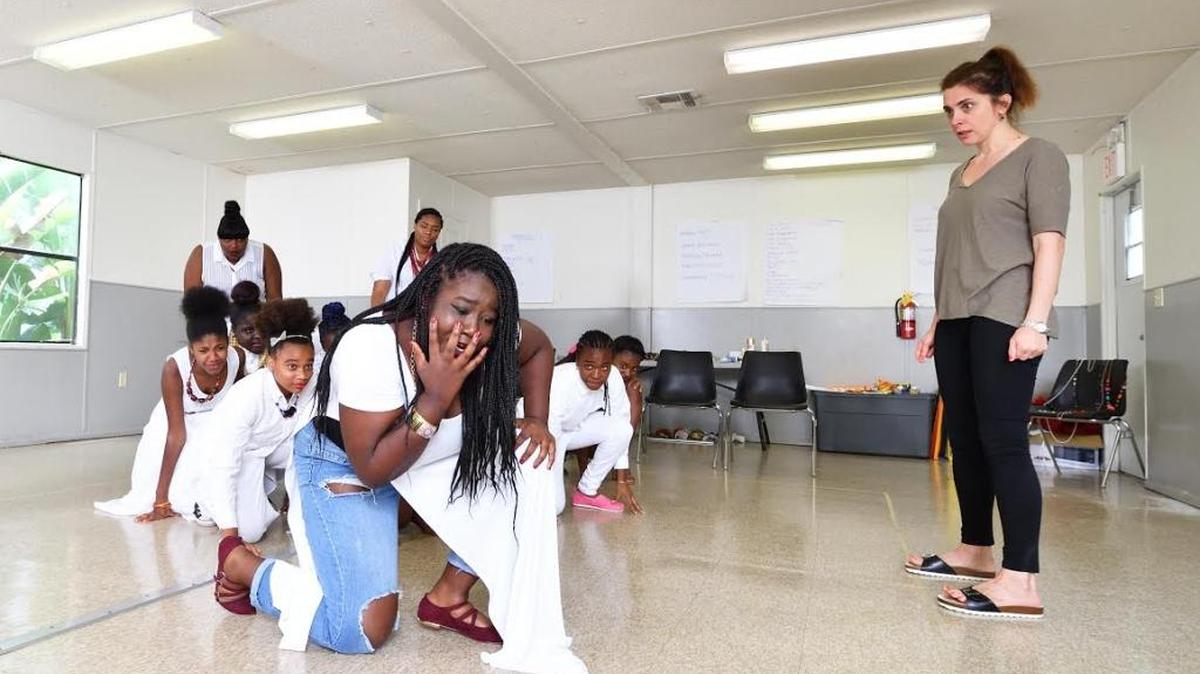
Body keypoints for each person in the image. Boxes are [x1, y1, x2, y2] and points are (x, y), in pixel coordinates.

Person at [209, 244, 585, 673]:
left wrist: (536, 419)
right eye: (459, 310)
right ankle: (244, 567)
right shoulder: (372, 347)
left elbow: (540, 349)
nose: (470, 330)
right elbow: (372, 468)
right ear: (426, 296)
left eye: (486, 319)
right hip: (346, 461)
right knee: (361, 630)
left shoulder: (488, 334)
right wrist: (437, 396)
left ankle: (448, 596)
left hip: (427, 455)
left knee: (531, 461)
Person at [904, 47, 1068, 621]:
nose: (956, 120)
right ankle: (975, 548)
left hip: (1005, 317)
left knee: (1002, 443)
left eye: (967, 106)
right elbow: (956, 253)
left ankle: (1021, 579)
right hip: (958, 319)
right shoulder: (961, 172)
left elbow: (1048, 242)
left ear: (1003, 103)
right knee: (964, 441)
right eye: (949, 109)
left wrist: (1036, 322)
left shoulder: (1038, 157)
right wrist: (937, 320)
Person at [95, 286, 245, 522]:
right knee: (176, 494)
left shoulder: (238, 358)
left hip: (214, 425)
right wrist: (160, 499)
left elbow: (238, 408)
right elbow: (177, 434)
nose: (213, 357)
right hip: (174, 425)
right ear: (191, 349)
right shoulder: (174, 368)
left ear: (229, 343)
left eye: (220, 348)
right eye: (203, 350)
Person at [201, 300, 318, 580]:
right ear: (270, 361)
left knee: (315, 443)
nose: (302, 375)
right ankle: (209, 503)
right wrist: (230, 538)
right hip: (235, 458)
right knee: (250, 531)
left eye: (308, 365)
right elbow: (225, 462)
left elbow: (304, 445)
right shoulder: (248, 395)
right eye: (292, 366)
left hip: (272, 452)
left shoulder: (308, 385)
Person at [550, 331, 638, 515]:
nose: (597, 374)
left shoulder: (612, 377)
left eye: (604, 367)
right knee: (555, 507)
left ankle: (587, 492)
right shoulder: (561, 378)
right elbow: (552, 432)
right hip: (544, 435)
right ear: (577, 362)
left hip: (572, 429)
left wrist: (622, 480)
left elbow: (621, 421)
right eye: (589, 366)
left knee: (622, 428)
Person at [184, 200, 282, 300]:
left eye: (240, 240)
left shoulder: (264, 254)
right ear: (219, 239)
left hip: (255, 315)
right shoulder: (200, 254)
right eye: (227, 240)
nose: (234, 246)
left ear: (247, 238)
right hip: (213, 316)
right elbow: (192, 304)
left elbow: (275, 302)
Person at [369, 207, 443, 305]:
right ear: (415, 225)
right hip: (394, 316)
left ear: (438, 233)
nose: (428, 232)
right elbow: (380, 291)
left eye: (435, 229)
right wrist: (377, 318)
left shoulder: (441, 259)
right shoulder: (395, 251)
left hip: (424, 316)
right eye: (424, 226)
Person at [230, 280, 266, 374]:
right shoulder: (227, 357)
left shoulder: (276, 354)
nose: (258, 335)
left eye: (263, 328)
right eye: (249, 330)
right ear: (234, 331)